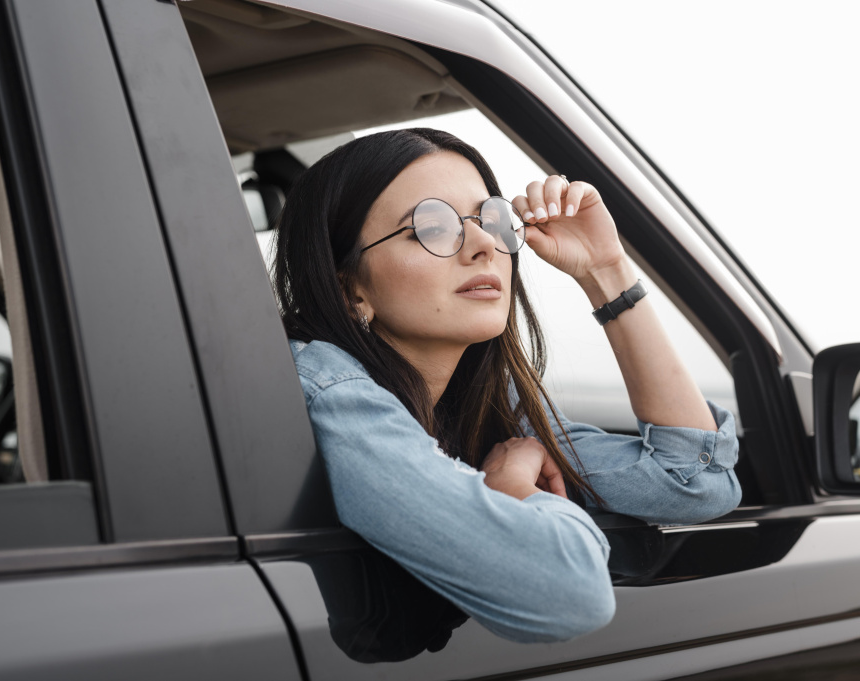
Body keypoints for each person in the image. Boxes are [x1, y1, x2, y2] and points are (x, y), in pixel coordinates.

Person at [274, 128, 741, 645]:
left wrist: (605, 270)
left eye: (490, 218)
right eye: (431, 226)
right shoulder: (330, 395)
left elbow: (693, 479)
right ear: (349, 288)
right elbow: (570, 595)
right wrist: (513, 486)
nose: (483, 245)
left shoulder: (485, 403)